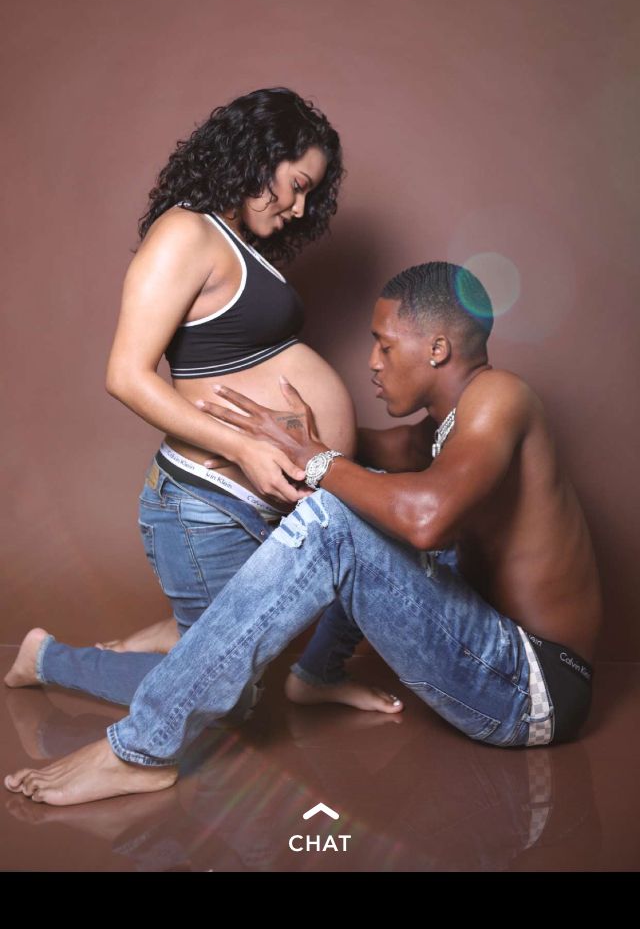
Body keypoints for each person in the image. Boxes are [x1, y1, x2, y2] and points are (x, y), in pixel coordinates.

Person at [4, 261, 604, 806]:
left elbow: (426, 520)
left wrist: (318, 461)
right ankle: (316, 673)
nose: (372, 361)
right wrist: (289, 432)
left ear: (439, 348)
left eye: (385, 345)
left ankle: (142, 747)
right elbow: (370, 462)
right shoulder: (447, 426)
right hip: (498, 660)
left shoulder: (501, 396)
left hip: (534, 689)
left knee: (338, 515)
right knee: (359, 493)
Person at [4, 86, 402, 722]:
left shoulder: (237, 246)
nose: (301, 208)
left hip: (259, 503)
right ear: (258, 157)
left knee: (368, 540)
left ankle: (237, 650)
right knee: (228, 696)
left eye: (310, 195)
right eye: (296, 185)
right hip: (206, 505)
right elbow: (126, 374)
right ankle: (47, 658)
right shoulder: (186, 233)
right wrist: (245, 446)